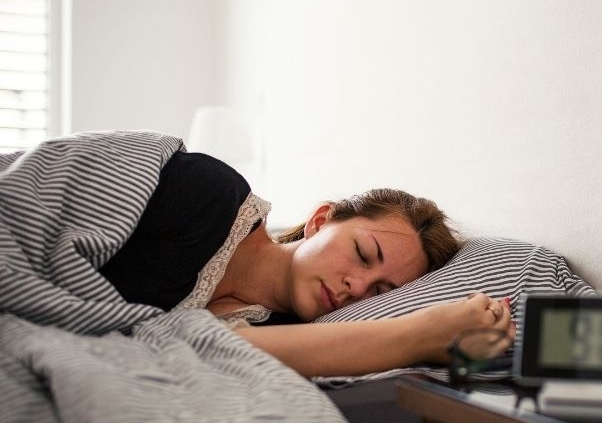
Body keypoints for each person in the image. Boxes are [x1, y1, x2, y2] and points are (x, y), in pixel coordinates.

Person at [97, 149, 514, 377]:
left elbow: (200, 349)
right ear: (320, 221)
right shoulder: (209, 193)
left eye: (380, 292)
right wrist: (424, 333)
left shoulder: (288, 333)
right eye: (363, 254)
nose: (357, 286)